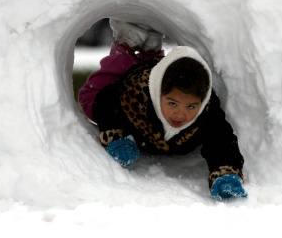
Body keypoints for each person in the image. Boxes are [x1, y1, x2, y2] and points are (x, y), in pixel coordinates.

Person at [78, 19, 247, 200]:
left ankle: (150, 49)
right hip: (136, 77)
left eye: (191, 106)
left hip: (164, 76)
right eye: (172, 103)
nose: (180, 114)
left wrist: (225, 174)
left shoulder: (207, 112)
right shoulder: (135, 95)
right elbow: (105, 102)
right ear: (157, 94)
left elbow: (221, 141)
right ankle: (126, 49)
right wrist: (116, 135)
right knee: (89, 99)